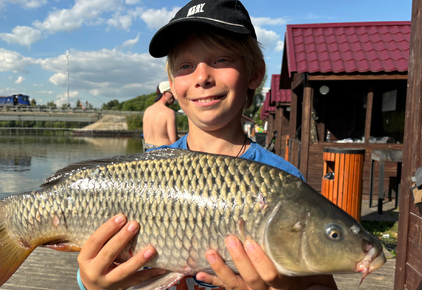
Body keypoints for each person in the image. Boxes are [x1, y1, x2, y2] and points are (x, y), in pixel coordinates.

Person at [77, 0, 338, 289]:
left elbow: (321, 283)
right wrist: (90, 282)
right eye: (186, 66)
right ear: (173, 84)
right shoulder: (141, 173)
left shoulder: (285, 183)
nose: (202, 77)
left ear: (255, 74)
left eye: (221, 60)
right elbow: (100, 265)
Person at [142, 81, 178, 150]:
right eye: (172, 93)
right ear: (164, 93)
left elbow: (145, 137)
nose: (175, 96)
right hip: (163, 153)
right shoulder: (169, 112)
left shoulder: (147, 110)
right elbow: (173, 142)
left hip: (147, 151)